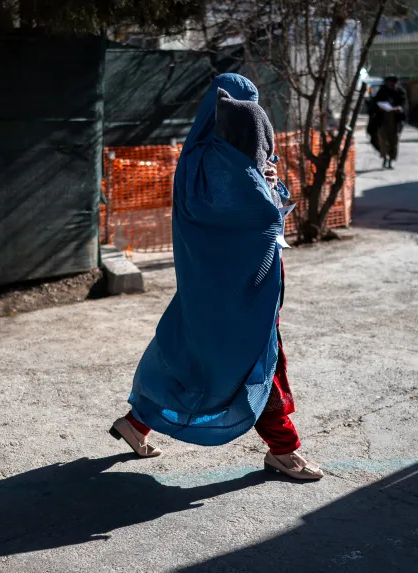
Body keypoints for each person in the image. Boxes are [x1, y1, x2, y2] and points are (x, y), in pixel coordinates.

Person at [109, 73, 324, 481]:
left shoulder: (201, 156)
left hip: (209, 285)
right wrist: (263, 187)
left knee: (190, 355)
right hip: (241, 291)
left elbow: (261, 200)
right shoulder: (219, 162)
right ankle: (284, 449)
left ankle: (136, 424)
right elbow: (257, 217)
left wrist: (269, 180)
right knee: (258, 362)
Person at [366, 76, 408, 169]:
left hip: (395, 121)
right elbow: (374, 102)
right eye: (389, 82)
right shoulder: (382, 91)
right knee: (383, 140)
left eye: (393, 82)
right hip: (382, 120)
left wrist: (399, 108)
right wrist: (378, 108)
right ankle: (385, 157)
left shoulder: (400, 92)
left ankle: (391, 160)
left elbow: (404, 104)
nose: (391, 84)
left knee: (394, 141)